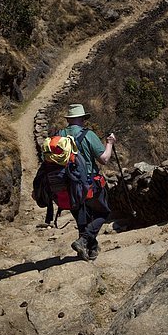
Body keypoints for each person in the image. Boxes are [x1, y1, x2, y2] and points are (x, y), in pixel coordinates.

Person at [58, 103, 116, 261]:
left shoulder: (59, 135)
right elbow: (104, 159)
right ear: (82, 118)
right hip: (88, 183)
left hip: (67, 185)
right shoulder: (88, 135)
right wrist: (109, 143)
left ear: (69, 119)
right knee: (103, 212)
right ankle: (83, 241)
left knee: (82, 218)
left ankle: (90, 249)